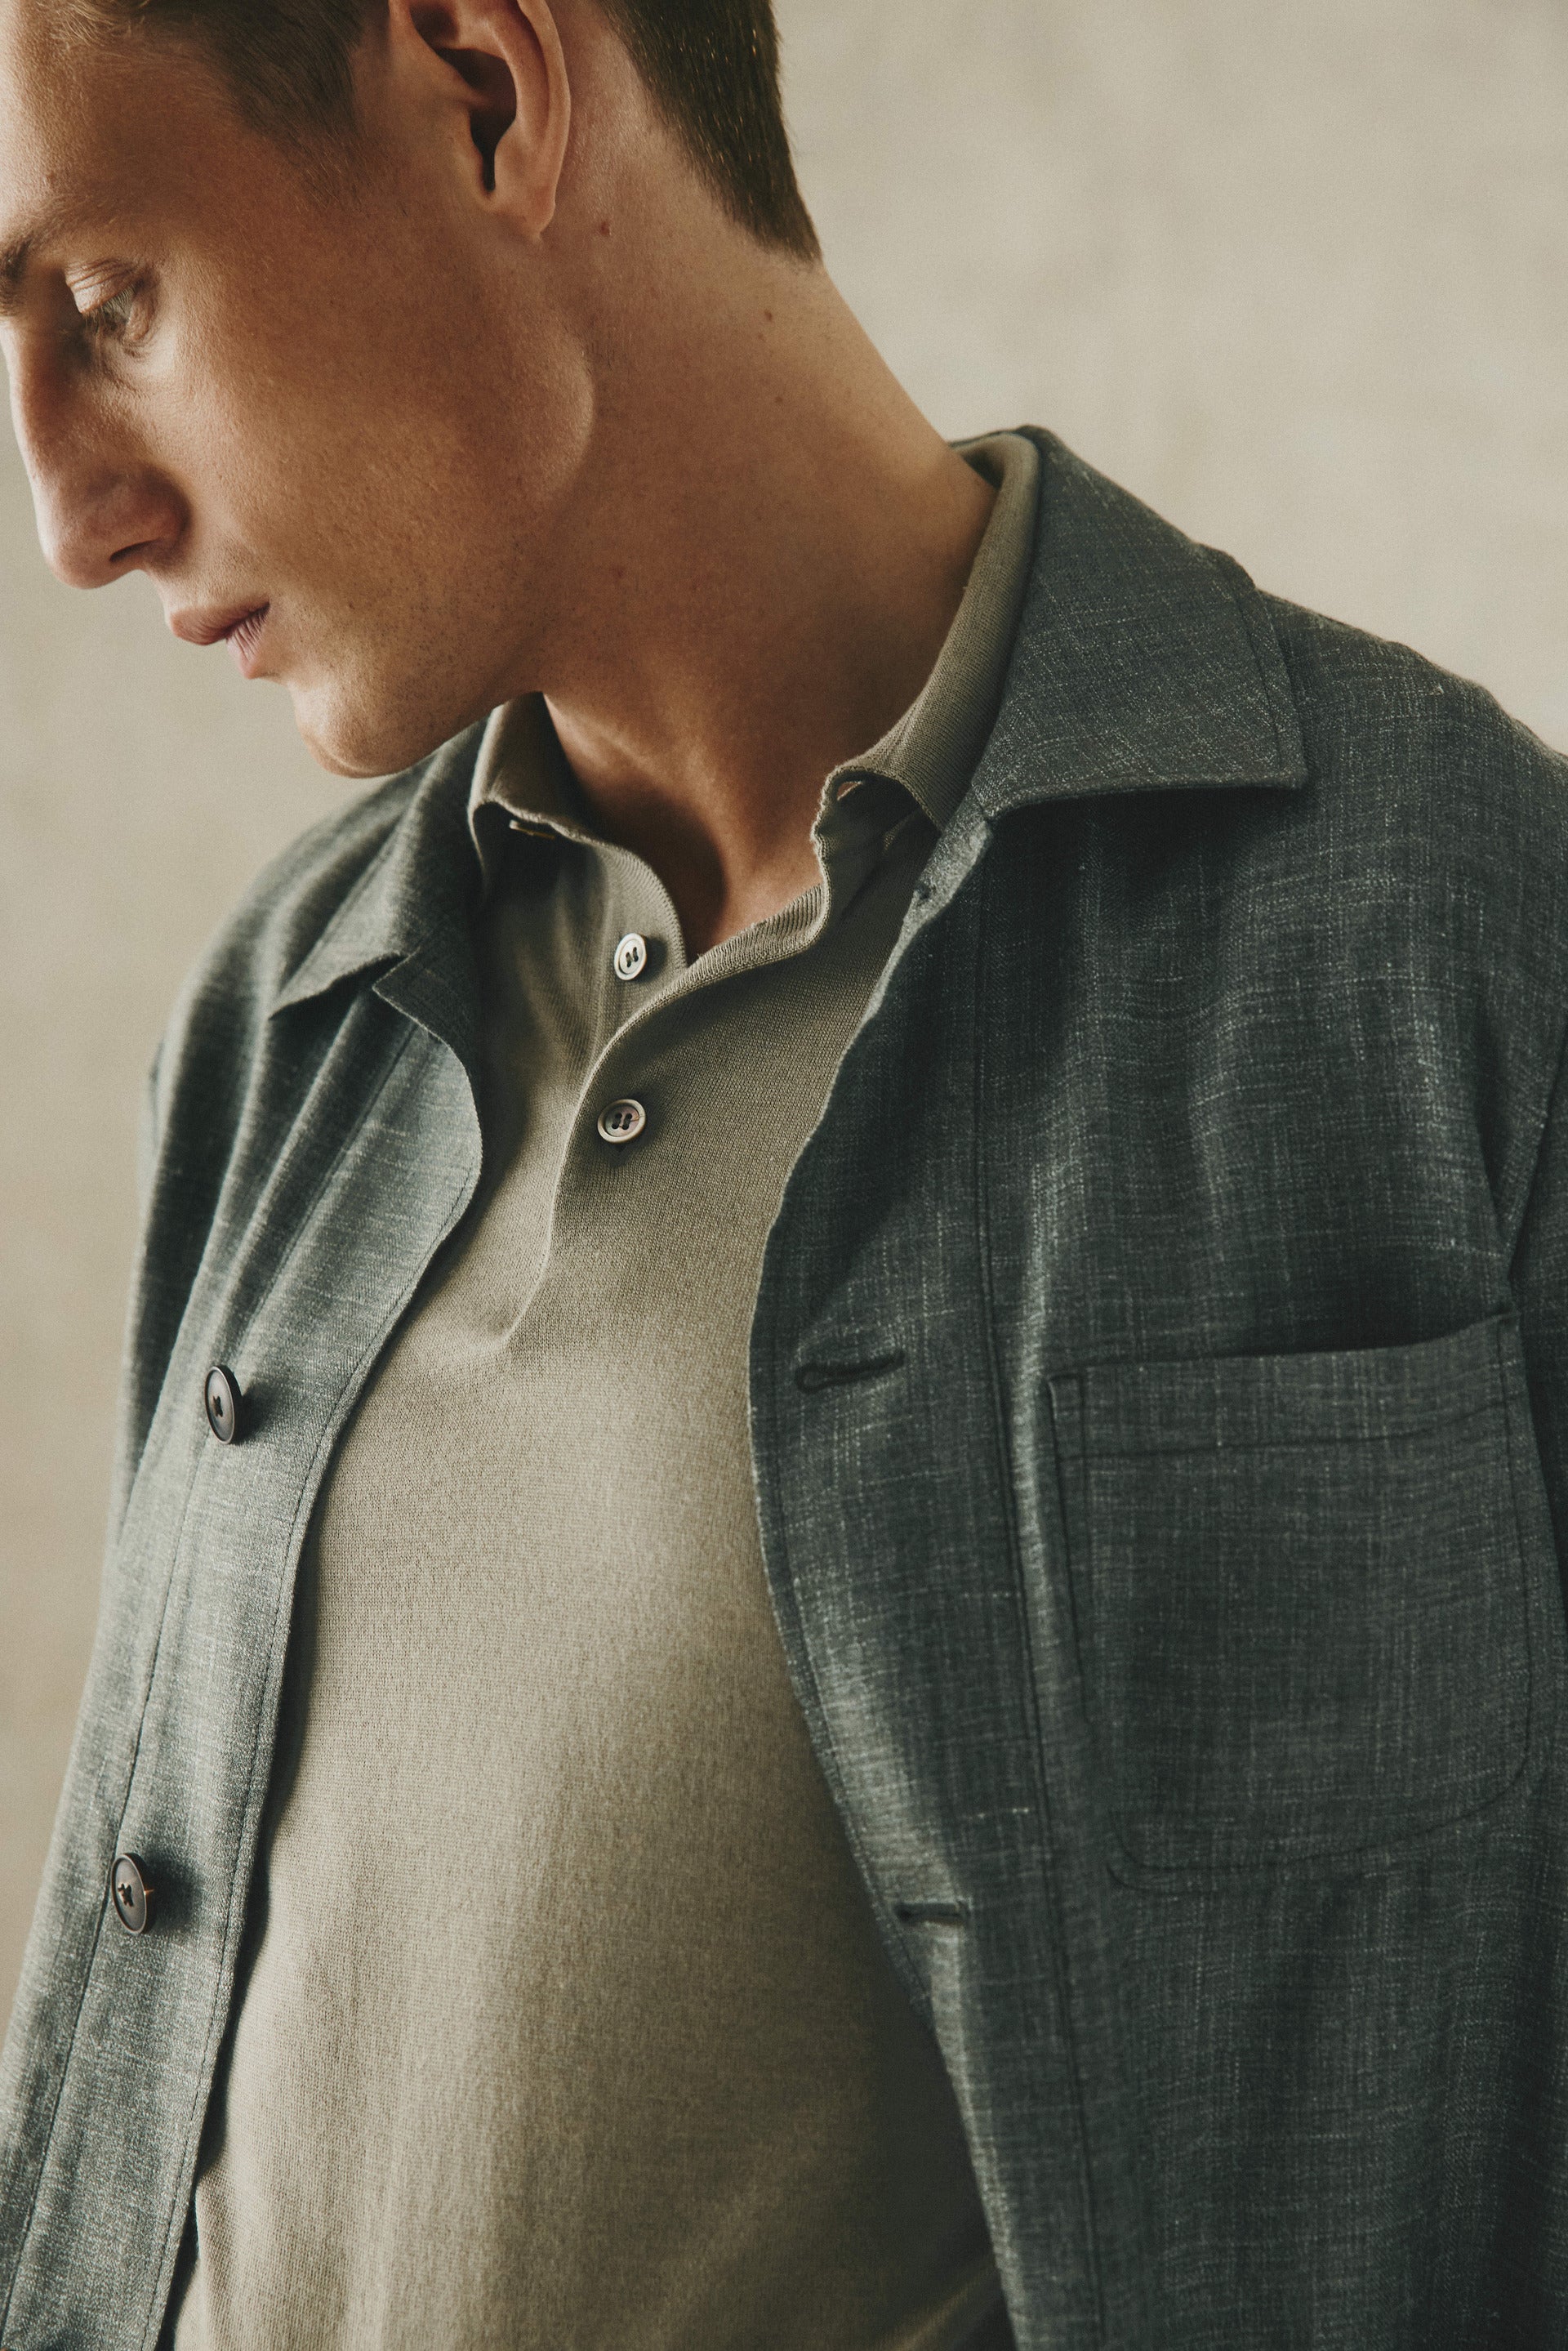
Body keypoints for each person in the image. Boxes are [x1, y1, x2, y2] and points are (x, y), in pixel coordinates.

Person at [2, 0, 1567, 2344]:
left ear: (490, 91)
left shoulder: (1445, 938)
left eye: (106, 300)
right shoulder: (287, 1013)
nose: (67, 517)